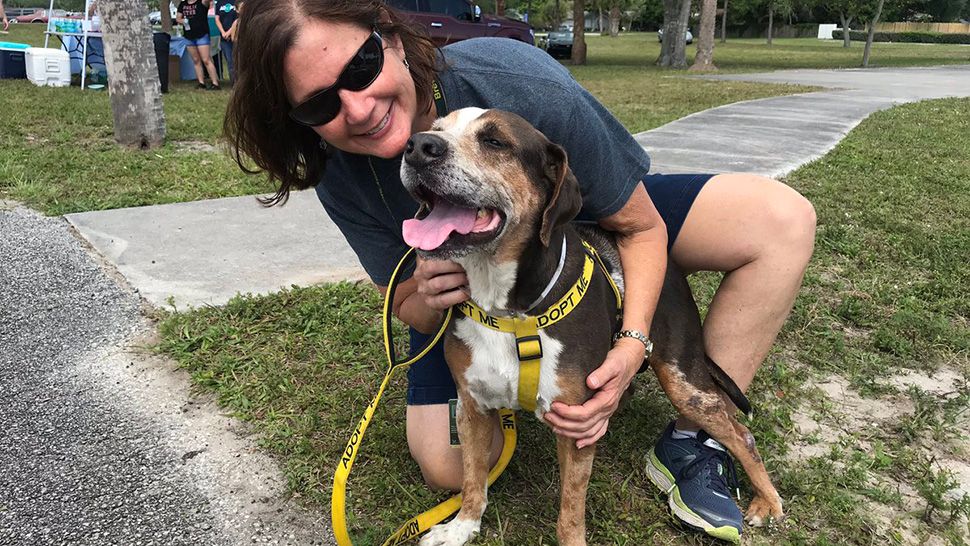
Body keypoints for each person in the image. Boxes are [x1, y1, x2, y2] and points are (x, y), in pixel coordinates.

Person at [225, 0, 816, 541]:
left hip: (593, 218)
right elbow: (400, 299)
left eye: (360, 70)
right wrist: (428, 298)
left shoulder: (517, 80)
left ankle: (695, 438)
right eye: (319, 104)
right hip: (469, 298)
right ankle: (507, 385)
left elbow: (638, 226)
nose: (356, 108)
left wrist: (633, 344)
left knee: (780, 219)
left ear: (391, 39)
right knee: (444, 467)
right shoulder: (338, 173)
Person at [176, 0, 220, 90]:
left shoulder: (202, 2)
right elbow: (178, 18)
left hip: (202, 35)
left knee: (206, 59)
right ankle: (201, 82)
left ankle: (215, 83)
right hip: (188, 36)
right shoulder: (183, 4)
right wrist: (183, 21)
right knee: (196, 60)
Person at [214, 0, 237, 84]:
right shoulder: (219, 3)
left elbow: (239, 19)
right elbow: (217, 19)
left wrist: (229, 32)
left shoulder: (237, 2)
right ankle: (234, 84)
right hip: (224, 39)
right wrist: (223, 32)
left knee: (238, 61)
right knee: (230, 62)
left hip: (237, 37)